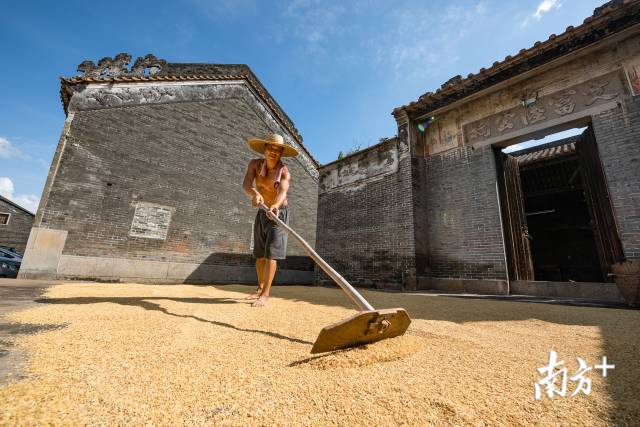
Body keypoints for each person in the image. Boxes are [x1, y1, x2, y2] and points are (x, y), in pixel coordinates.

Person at [243, 133, 298, 307]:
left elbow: (283, 192)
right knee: (259, 255)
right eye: (271, 148)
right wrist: (255, 193)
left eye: (277, 150)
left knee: (270, 255)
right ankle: (259, 288)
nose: (274, 152)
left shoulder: (285, 172)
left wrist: (275, 205)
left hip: (278, 213)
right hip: (262, 211)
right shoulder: (254, 165)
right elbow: (246, 185)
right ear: (265, 149)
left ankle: (265, 295)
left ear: (281, 153)